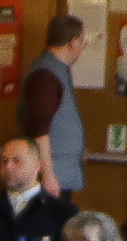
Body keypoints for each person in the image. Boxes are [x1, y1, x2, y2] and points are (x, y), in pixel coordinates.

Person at [21, 13, 90, 194]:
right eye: (83, 41)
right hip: (51, 178)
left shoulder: (58, 70)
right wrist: (48, 175)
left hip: (62, 173)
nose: (83, 47)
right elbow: (39, 126)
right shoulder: (47, 74)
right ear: (73, 42)